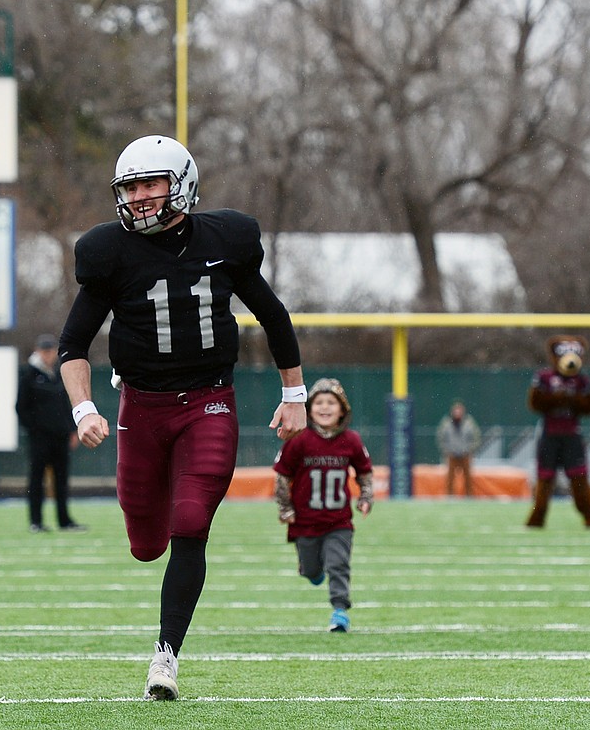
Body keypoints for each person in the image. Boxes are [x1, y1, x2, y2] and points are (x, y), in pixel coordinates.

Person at [58, 134, 307, 701]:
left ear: (182, 184)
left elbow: (273, 316)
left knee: (191, 520)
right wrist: (84, 407)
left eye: (150, 184)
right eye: (130, 187)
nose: (140, 197)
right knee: (146, 543)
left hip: (208, 401)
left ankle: (165, 658)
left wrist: (295, 394)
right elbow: (72, 345)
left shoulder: (227, 239)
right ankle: (156, 549)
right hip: (141, 406)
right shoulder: (108, 252)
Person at [273, 378, 373, 633]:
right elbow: (283, 475)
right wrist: (285, 507)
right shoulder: (299, 439)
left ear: (342, 409)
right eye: (319, 402)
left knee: (338, 564)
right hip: (305, 520)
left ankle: (340, 611)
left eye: (331, 402)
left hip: (338, 520)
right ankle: (312, 571)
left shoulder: (351, 440)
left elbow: (364, 472)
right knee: (311, 570)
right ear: (309, 408)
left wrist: (365, 497)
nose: (325, 407)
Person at [526, 335, 590, 528]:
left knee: (579, 478)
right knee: (544, 479)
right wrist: (556, 398)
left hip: (572, 436)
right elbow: (535, 403)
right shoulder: (545, 378)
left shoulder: (582, 380)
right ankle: (538, 516)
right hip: (550, 435)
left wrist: (574, 400)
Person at [16, 333, 84, 533]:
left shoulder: (58, 374)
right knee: (37, 481)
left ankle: (64, 520)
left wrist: (72, 430)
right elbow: (21, 407)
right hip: (40, 439)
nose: (48, 355)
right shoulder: (29, 375)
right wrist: (35, 430)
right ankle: (35, 521)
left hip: (60, 437)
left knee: (61, 481)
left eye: (51, 351)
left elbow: (66, 405)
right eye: (45, 351)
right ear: (38, 351)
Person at [435, 399, 482, 497]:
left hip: (465, 454)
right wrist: (446, 450)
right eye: (456, 411)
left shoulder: (469, 423)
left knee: (468, 477)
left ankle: (469, 496)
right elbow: (440, 437)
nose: (457, 413)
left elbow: (476, 437)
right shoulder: (447, 423)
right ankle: (449, 495)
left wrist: (470, 450)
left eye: (459, 411)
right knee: (450, 478)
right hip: (451, 454)